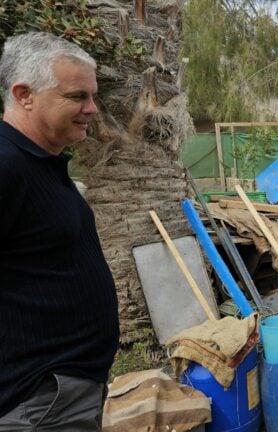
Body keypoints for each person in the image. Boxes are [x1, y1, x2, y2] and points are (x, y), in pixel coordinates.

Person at [0, 32, 119, 430]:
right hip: (37, 400)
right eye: (77, 97)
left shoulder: (40, 164)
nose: (92, 109)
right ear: (24, 94)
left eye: (92, 95)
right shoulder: (7, 166)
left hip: (64, 392)